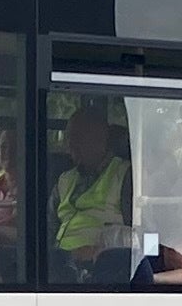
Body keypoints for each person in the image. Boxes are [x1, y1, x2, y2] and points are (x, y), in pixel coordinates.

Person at [52, 101, 133, 273]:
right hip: (58, 261)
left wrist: (101, 251)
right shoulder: (64, 179)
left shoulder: (126, 175)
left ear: (100, 139)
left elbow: (144, 237)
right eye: (69, 138)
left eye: (77, 138)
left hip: (99, 267)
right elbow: (46, 227)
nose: (69, 146)